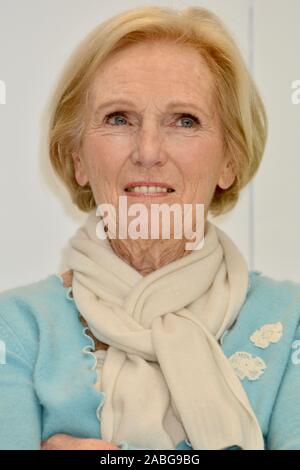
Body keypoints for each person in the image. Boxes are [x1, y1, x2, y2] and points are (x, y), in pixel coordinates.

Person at [1, 5, 300, 451]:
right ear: (78, 157)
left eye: (185, 121)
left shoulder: (291, 319)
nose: (148, 151)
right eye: (119, 118)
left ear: (230, 160)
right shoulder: (15, 328)